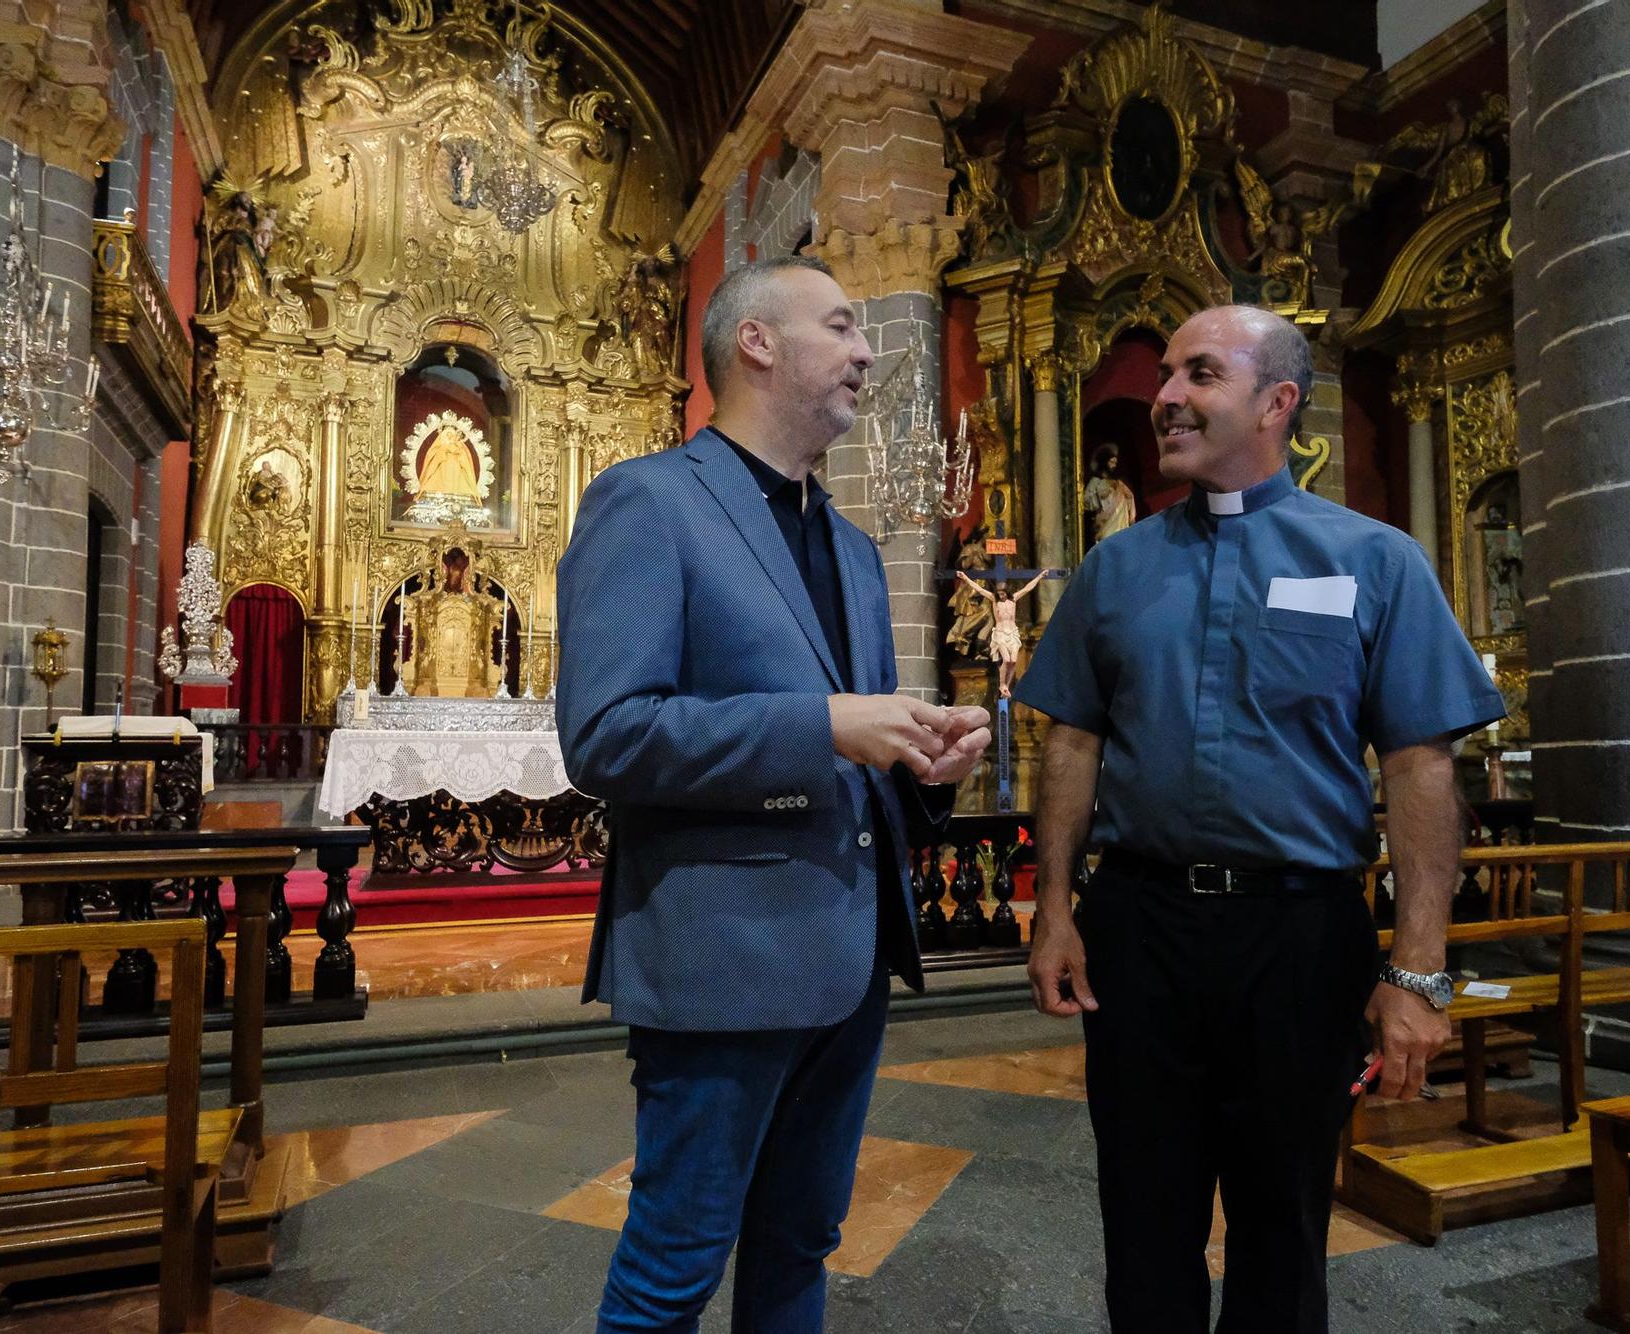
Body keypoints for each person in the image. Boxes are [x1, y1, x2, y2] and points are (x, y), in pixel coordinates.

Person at [1014, 305, 1503, 1332]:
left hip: (1296, 935)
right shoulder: (1115, 567)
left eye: (1198, 373)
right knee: (1142, 1220)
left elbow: (1419, 766)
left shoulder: (1374, 561)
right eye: (1163, 374)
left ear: (1276, 402)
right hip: (1137, 931)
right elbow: (1070, 741)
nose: (1163, 396)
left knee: (1281, 1225)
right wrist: (1053, 905)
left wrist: (1416, 971)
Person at [557, 254, 991, 1332]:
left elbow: (848, 740)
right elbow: (605, 735)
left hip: (847, 949)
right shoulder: (648, 500)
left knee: (799, 1245)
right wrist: (825, 725)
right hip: (720, 954)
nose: (865, 351)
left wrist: (915, 762)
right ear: (756, 342)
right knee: (673, 1266)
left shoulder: (847, 543)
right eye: (841, 326)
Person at [954, 569, 1055, 698]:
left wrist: (1040, 576)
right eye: (999, 594)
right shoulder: (993, 600)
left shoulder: (1013, 600)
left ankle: (1006, 685)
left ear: (1007, 593)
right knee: (1006, 660)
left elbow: (1028, 588)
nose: (1001, 596)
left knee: (1013, 661)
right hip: (1000, 634)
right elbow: (979, 589)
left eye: (1003, 594)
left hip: (1012, 633)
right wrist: (965, 578)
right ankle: (1002, 684)